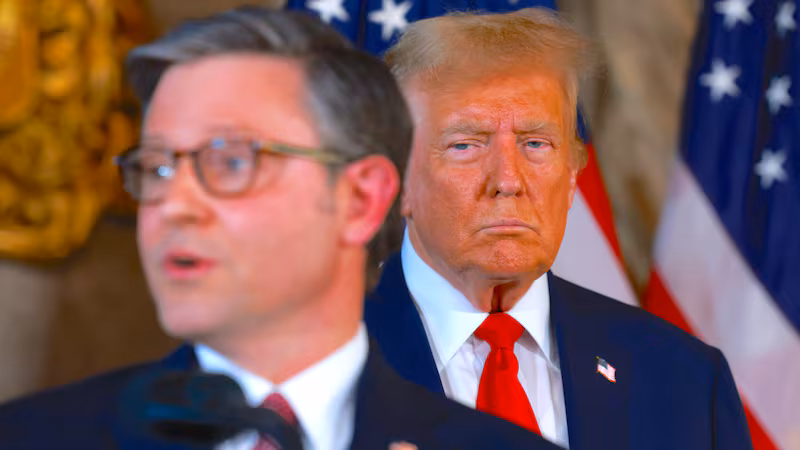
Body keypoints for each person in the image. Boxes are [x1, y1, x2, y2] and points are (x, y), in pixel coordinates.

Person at [0, 7, 561, 450]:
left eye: (230, 160)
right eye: (158, 167)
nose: (173, 204)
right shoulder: (29, 438)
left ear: (361, 198)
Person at [365, 8, 754, 450]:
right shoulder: (307, 359)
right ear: (397, 177)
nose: (508, 180)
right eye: (466, 144)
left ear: (572, 175)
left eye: (536, 143)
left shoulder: (685, 381)